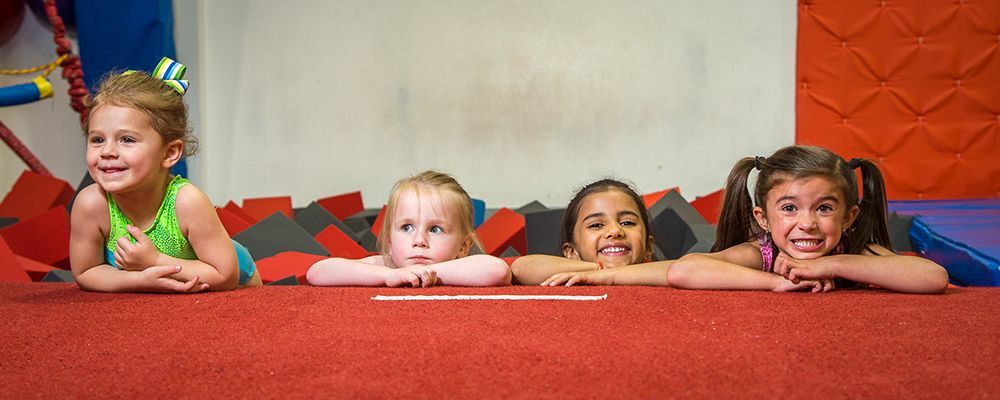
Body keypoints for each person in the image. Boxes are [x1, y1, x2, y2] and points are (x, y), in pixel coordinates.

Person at [69, 57, 260, 293]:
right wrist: (140, 280)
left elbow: (224, 276)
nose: (107, 151)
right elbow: (85, 271)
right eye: (97, 139)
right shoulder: (91, 204)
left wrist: (155, 261)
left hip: (228, 277)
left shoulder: (187, 201)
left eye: (126, 139)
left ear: (169, 153)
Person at [666, 145, 949, 293]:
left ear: (849, 217)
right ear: (763, 218)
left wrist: (833, 264)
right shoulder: (762, 254)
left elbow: (933, 278)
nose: (807, 223)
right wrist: (776, 283)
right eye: (789, 208)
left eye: (824, 209)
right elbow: (683, 271)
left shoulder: (852, 250)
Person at [306, 171, 511, 287]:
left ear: (463, 246)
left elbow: (497, 270)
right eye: (406, 227)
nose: (419, 240)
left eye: (435, 229)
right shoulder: (386, 265)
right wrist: (387, 276)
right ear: (389, 241)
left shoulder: (464, 266)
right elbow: (317, 272)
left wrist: (424, 272)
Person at [512, 179, 673, 286]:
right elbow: (521, 268)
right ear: (571, 252)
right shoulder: (575, 271)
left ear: (649, 246)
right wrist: (599, 270)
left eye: (627, 222)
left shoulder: (667, 271)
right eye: (596, 225)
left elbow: (692, 267)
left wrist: (612, 275)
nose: (615, 231)